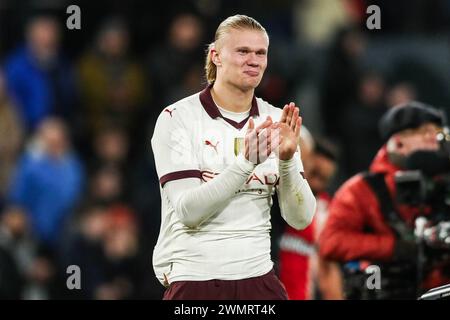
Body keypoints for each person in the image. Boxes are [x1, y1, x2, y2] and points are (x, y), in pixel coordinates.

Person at [151, 14, 316, 300]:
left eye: (260, 53)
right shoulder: (177, 118)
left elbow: (300, 219)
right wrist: (245, 163)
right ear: (215, 55)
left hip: (259, 280)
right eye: (242, 51)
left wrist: (287, 161)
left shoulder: (276, 120)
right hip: (195, 280)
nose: (253, 60)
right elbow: (189, 212)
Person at [319, 101, 450, 299]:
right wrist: (394, 247)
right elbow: (331, 242)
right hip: (385, 291)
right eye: (425, 132)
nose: (435, 140)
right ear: (398, 143)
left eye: (438, 132)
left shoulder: (444, 185)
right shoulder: (361, 189)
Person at [279, 136, 344, 300]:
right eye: (314, 173)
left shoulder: (326, 211)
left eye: (324, 179)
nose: (317, 182)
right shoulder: (275, 195)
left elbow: (328, 269)